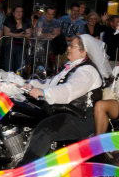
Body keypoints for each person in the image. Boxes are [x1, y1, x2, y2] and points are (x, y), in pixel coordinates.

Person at [19, 34, 111, 164]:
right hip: (70, 112)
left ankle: (25, 171)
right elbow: (53, 82)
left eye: (72, 46)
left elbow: (68, 90)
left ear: (83, 52)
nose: (68, 48)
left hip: (82, 118)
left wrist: (44, 93)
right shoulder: (73, 66)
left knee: (46, 129)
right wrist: (28, 83)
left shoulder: (87, 71)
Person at [3, 6, 31, 72]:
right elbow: (6, 33)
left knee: (20, 67)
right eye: (17, 11)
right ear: (13, 13)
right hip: (9, 45)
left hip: (22, 46)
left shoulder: (26, 21)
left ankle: (18, 81)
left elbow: (29, 34)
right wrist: (18, 35)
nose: (19, 13)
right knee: (9, 67)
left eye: (21, 12)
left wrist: (14, 35)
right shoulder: (8, 20)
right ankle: (9, 81)